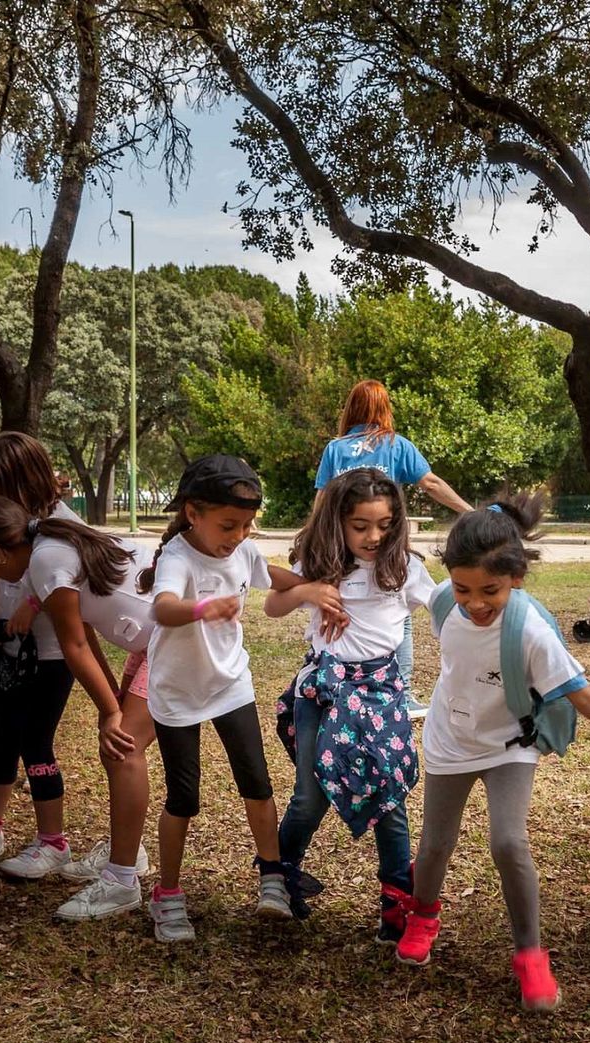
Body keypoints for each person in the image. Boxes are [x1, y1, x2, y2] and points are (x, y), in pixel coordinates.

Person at [398, 499, 590, 1011]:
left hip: (509, 746)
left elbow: (580, 694)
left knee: (509, 843)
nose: (475, 603)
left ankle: (530, 954)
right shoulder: (443, 603)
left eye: (490, 591)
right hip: (450, 742)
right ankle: (423, 914)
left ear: (516, 578)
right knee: (434, 845)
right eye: (464, 589)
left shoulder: (533, 632)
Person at [0, 495, 159, 918]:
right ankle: (129, 854)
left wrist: (110, 713)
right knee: (119, 750)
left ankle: (121, 881)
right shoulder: (48, 543)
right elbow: (87, 637)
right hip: (153, 641)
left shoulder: (44, 561)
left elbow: (75, 645)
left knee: (121, 749)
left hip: (173, 642)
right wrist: (110, 704)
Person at [137, 455, 316, 942]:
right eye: (228, 524)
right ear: (193, 513)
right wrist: (203, 607)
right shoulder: (178, 556)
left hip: (230, 684)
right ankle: (167, 896)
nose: (238, 535)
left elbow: (268, 574)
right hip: (177, 694)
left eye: (246, 525)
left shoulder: (242, 549)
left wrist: (311, 586)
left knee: (257, 784)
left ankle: (273, 879)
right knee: (184, 798)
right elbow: (164, 608)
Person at [266, 468, 435, 939]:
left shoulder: (403, 568)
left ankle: (396, 905)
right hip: (322, 691)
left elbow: (443, 608)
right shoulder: (319, 560)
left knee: (390, 800)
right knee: (309, 797)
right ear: (338, 520)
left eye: (384, 525)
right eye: (360, 526)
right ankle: (279, 880)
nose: (373, 536)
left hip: (381, 694)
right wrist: (310, 591)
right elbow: (273, 606)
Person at [314, 379, 473, 715]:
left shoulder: (336, 448)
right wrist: (471, 513)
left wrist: (312, 542)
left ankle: (340, 681)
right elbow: (430, 483)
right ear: (384, 409)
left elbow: (322, 500)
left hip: (342, 548)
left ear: (352, 409)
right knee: (398, 611)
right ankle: (401, 690)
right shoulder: (396, 445)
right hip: (388, 547)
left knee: (345, 607)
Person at [0, 431, 81, 790]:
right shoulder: (6, 521)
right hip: (11, 650)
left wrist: (33, 604)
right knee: (3, 740)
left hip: (51, 654)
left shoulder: (63, 525)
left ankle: (51, 838)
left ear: (18, 482)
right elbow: (0, 577)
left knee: (36, 744)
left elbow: (74, 575)